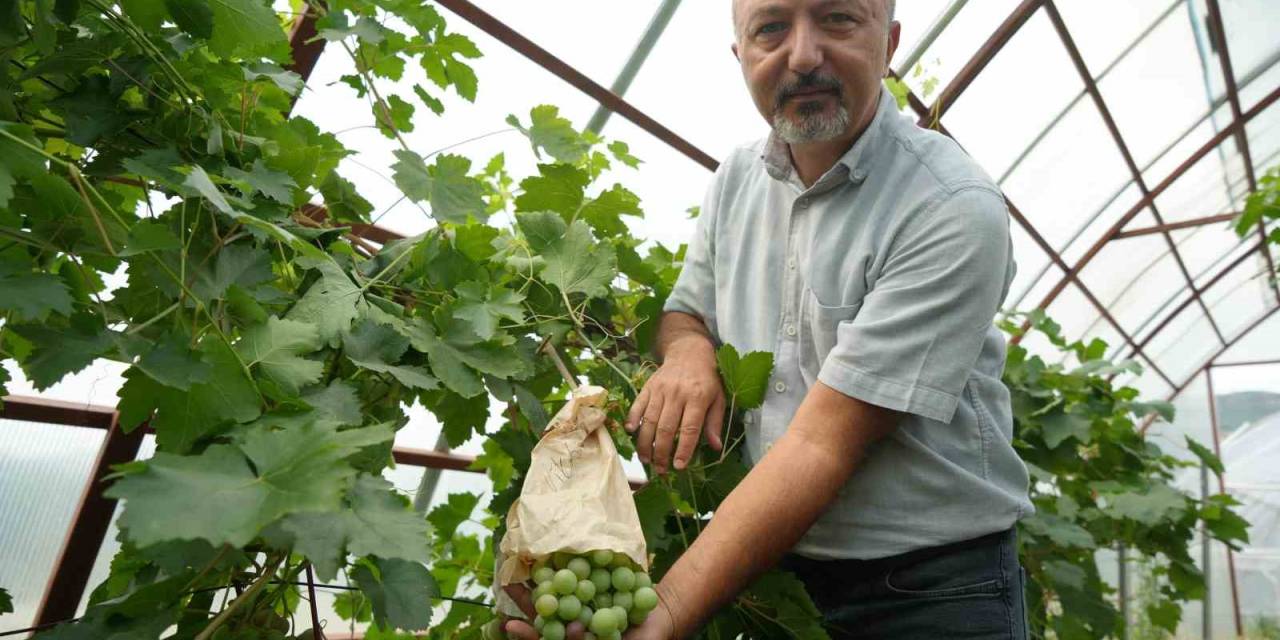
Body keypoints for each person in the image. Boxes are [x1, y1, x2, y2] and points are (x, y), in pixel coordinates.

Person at [505, 0, 1032, 638]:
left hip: (933, 594)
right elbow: (685, 312)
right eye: (771, 28)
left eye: (837, 19)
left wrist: (660, 620)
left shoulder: (949, 208)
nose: (802, 55)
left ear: (889, 43)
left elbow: (823, 442)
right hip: (779, 578)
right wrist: (690, 357)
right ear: (741, 54)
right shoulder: (736, 179)